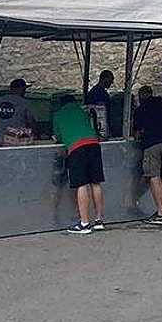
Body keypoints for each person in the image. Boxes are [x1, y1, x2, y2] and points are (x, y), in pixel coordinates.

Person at [52, 93, 105, 234]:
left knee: (81, 184)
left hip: (77, 147)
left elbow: (58, 138)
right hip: (94, 144)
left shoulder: (58, 115)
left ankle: (84, 223)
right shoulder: (82, 111)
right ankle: (99, 220)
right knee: (96, 182)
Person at [133, 85, 162, 225]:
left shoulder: (140, 110)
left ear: (141, 96)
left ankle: (160, 212)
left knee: (154, 176)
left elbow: (137, 133)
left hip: (152, 143)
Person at [0, 78, 37, 145]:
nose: (25, 91)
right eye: (24, 89)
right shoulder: (24, 103)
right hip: (18, 142)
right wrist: (37, 135)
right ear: (20, 89)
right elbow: (31, 122)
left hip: (0, 141)